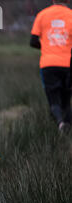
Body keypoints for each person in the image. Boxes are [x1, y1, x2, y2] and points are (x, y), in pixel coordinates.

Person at [30, 0, 72, 133]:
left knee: (54, 100)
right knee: (66, 99)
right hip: (68, 63)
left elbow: (33, 41)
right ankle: (66, 128)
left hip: (48, 64)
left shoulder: (42, 15)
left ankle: (60, 123)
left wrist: (48, 47)